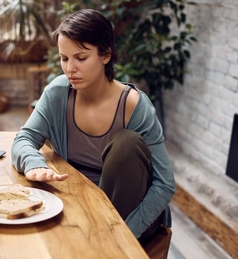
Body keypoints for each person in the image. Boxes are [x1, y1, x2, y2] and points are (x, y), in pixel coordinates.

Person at [11, 9, 176, 244]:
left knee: (126, 143)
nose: (69, 69)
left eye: (81, 58)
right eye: (64, 58)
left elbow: (164, 184)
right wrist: (34, 164)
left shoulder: (134, 105)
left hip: (130, 216)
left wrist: (123, 234)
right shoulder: (58, 93)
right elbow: (23, 139)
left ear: (105, 55)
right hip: (80, 204)